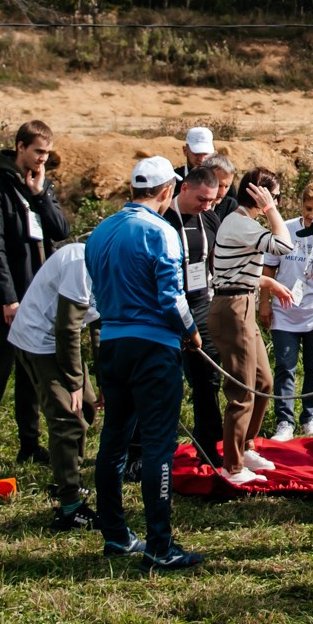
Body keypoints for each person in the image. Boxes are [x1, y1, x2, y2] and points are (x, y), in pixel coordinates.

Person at [85, 155, 205, 572]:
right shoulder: (161, 231)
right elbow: (171, 295)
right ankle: (159, 543)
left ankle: (116, 535)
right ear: (167, 191)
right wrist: (190, 331)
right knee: (158, 445)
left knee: (114, 440)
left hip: (111, 343)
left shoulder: (100, 231)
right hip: (153, 346)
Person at [0, 121, 72, 469]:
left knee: (32, 374)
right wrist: (8, 299)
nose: (43, 159)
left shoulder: (39, 187)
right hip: (8, 298)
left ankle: (29, 443)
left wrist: (41, 195)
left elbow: (61, 230)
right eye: (38, 152)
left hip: (39, 296)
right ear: (20, 147)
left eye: (47, 153)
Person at [206, 169, 300, 486]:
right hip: (233, 309)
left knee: (264, 382)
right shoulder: (241, 223)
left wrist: (269, 282)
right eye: (275, 195)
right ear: (260, 195)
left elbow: (236, 269)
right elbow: (285, 247)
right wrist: (272, 211)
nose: (277, 201)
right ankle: (231, 466)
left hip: (240, 302)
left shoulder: (244, 225)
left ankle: (245, 446)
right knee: (243, 390)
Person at [8, 238, 97, 529]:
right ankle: (69, 506)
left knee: (87, 407)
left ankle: (69, 477)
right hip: (39, 341)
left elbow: (101, 325)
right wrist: (73, 381)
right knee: (68, 420)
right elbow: (67, 328)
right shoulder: (79, 263)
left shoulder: (112, 265)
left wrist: (103, 378)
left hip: (59, 342)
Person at [164, 160, 232, 468]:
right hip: (165, 308)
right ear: (184, 188)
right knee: (163, 382)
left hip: (202, 304)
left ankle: (207, 445)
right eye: (201, 199)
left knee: (208, 380)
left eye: (212, 200)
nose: (207, 205)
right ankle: (144, 448)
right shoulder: (164, 217)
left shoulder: (210, 218)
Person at [269, 179, 313, 437]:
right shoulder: (285, 229)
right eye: (308, 208)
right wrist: (265, 304)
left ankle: (310, 417)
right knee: (285, 366)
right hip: (285, 312)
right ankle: (284, 421)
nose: (311, 215)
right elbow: (269, 267)